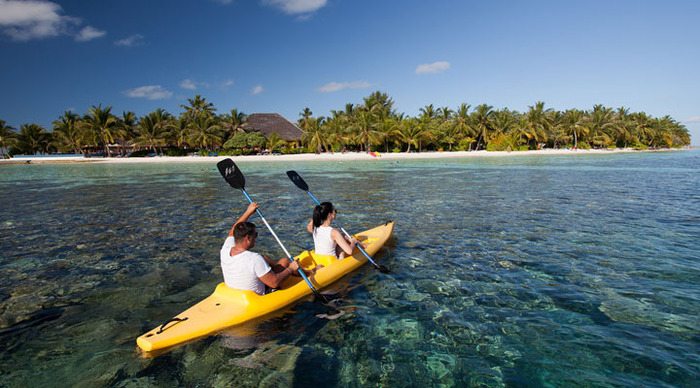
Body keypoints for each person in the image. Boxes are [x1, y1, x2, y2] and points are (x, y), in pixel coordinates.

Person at [220, 202, 299, 295]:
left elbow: (232, 232)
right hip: (257, 296)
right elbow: (274, 283)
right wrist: (290, 269)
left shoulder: (225, 249)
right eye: (255, 235)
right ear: (248, 238)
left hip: (235, 292)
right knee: (285, 262)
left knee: (266, 258)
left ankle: (290, 269)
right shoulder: (254, 258)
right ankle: (301, 271)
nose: (256, 238)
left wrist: (248, 212)